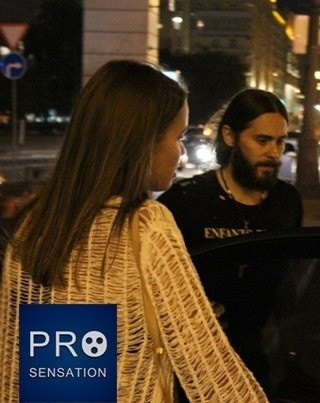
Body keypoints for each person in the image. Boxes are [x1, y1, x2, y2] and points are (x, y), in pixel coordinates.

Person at [0, 60, 267, 402]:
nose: (181, 151)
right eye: (178, 136)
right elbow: (210, 371)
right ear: (143, 142)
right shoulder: (145, 226)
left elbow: (31, 375)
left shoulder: (34, 228)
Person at [158, 88, 303, 393]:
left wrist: (292, 353)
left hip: (259, 363)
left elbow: (288, 284)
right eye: (262, 140)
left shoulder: (287, 201)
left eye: (280, 141)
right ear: (230, 136)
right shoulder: (186, 201)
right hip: (194, 368)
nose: (273, 153)